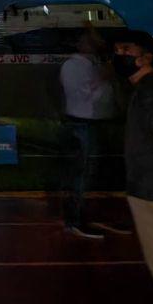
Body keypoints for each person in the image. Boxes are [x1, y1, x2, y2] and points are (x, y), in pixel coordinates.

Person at [59, 31, 118, 238]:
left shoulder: (93, 64)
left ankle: (87, 216)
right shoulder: (73, 66)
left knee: (93, 173)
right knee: (81, 174)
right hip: (82, 123)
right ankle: (75, 220)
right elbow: (81, 96)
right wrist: (102, 79)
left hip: (94, 122)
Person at [122, 33, 153, 278]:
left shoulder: (149, 91)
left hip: (149, 188)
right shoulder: (142, 89)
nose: (120, 55)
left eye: (126, 49)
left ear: (146, 58)